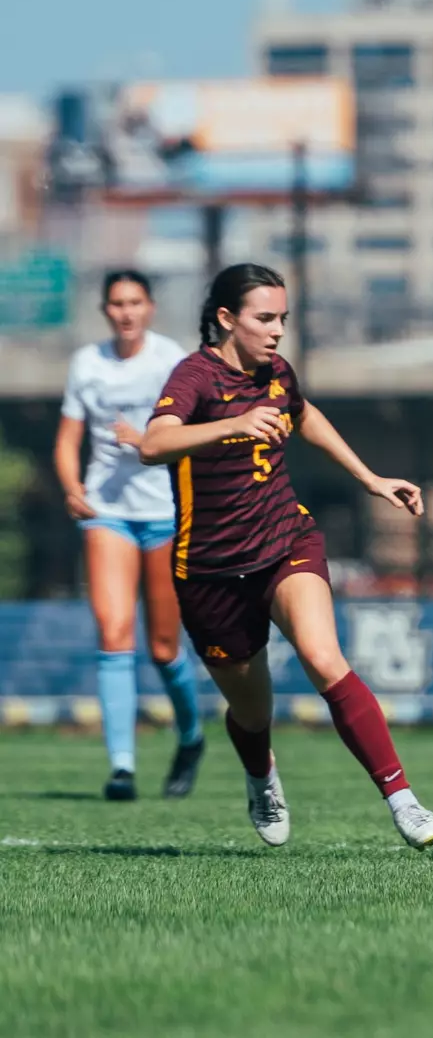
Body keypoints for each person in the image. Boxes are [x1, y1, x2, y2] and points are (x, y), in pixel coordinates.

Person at [138, 262, 433, 850]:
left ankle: (403, 801)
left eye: (282, 318)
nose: (277, 330)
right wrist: (231, 425)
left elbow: (303, 414)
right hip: (210, 571)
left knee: (323, 658)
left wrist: (369, 477)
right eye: (264, 318)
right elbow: (154, 443)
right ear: (227, 319)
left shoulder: (277, 371)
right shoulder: (196, 376)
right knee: (253, 713)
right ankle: (261, 777)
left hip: (285, 542)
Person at [55, 269, 205, 801]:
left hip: (164, 512)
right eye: (116, 303)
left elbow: (192, 437)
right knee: (113, 632)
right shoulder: (87, 363)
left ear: (151, 307)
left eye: (135, 302)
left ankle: (191, 735)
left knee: (164, 647)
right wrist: (73, 487)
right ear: (105, 310)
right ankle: (122, 767)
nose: (126, 312)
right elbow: (68, 437)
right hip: (108, 512)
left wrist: (146, 441)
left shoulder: (173, 361)